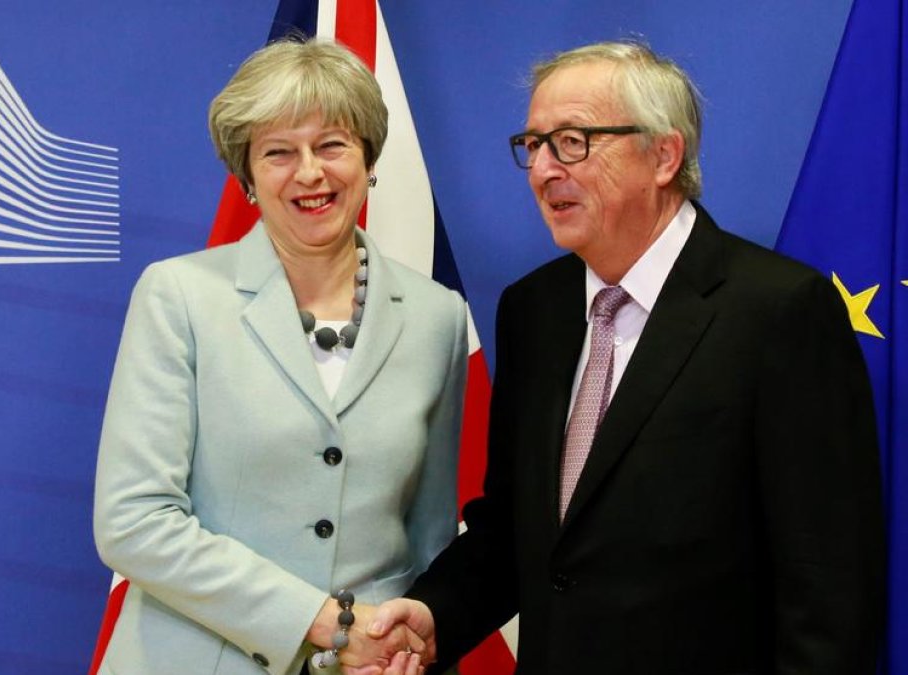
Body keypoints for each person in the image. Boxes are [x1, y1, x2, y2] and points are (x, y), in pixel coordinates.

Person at [356, 40, 886, 675]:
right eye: (533, 145)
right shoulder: (534, 311)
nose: (545, 169)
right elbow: (517, 534)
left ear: (664, 155)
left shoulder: (778, 312)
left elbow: (827, 586)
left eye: (573, 141)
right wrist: (436, 617)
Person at [92, 37, 466, 675]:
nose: (310, 173)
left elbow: (428, 544)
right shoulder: (179, 296)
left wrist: (402, 648)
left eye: (332, 145)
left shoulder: (438, 318)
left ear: (368, 157)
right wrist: (329, 626)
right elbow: (134, 521)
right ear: (246, 176)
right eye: (278, 153)